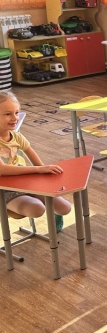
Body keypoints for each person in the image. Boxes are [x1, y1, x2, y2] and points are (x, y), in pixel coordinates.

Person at [0, 91, 70, 232]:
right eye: (8, 114)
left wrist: (46, 181)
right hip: (4, 190)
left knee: (65, 208)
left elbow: (39, 165)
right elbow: (2, 170)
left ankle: (53, 212)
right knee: (37, 209)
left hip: (24, 182)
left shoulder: (17, 136)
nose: (15, 118)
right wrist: (39, 170)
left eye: (16, 113)